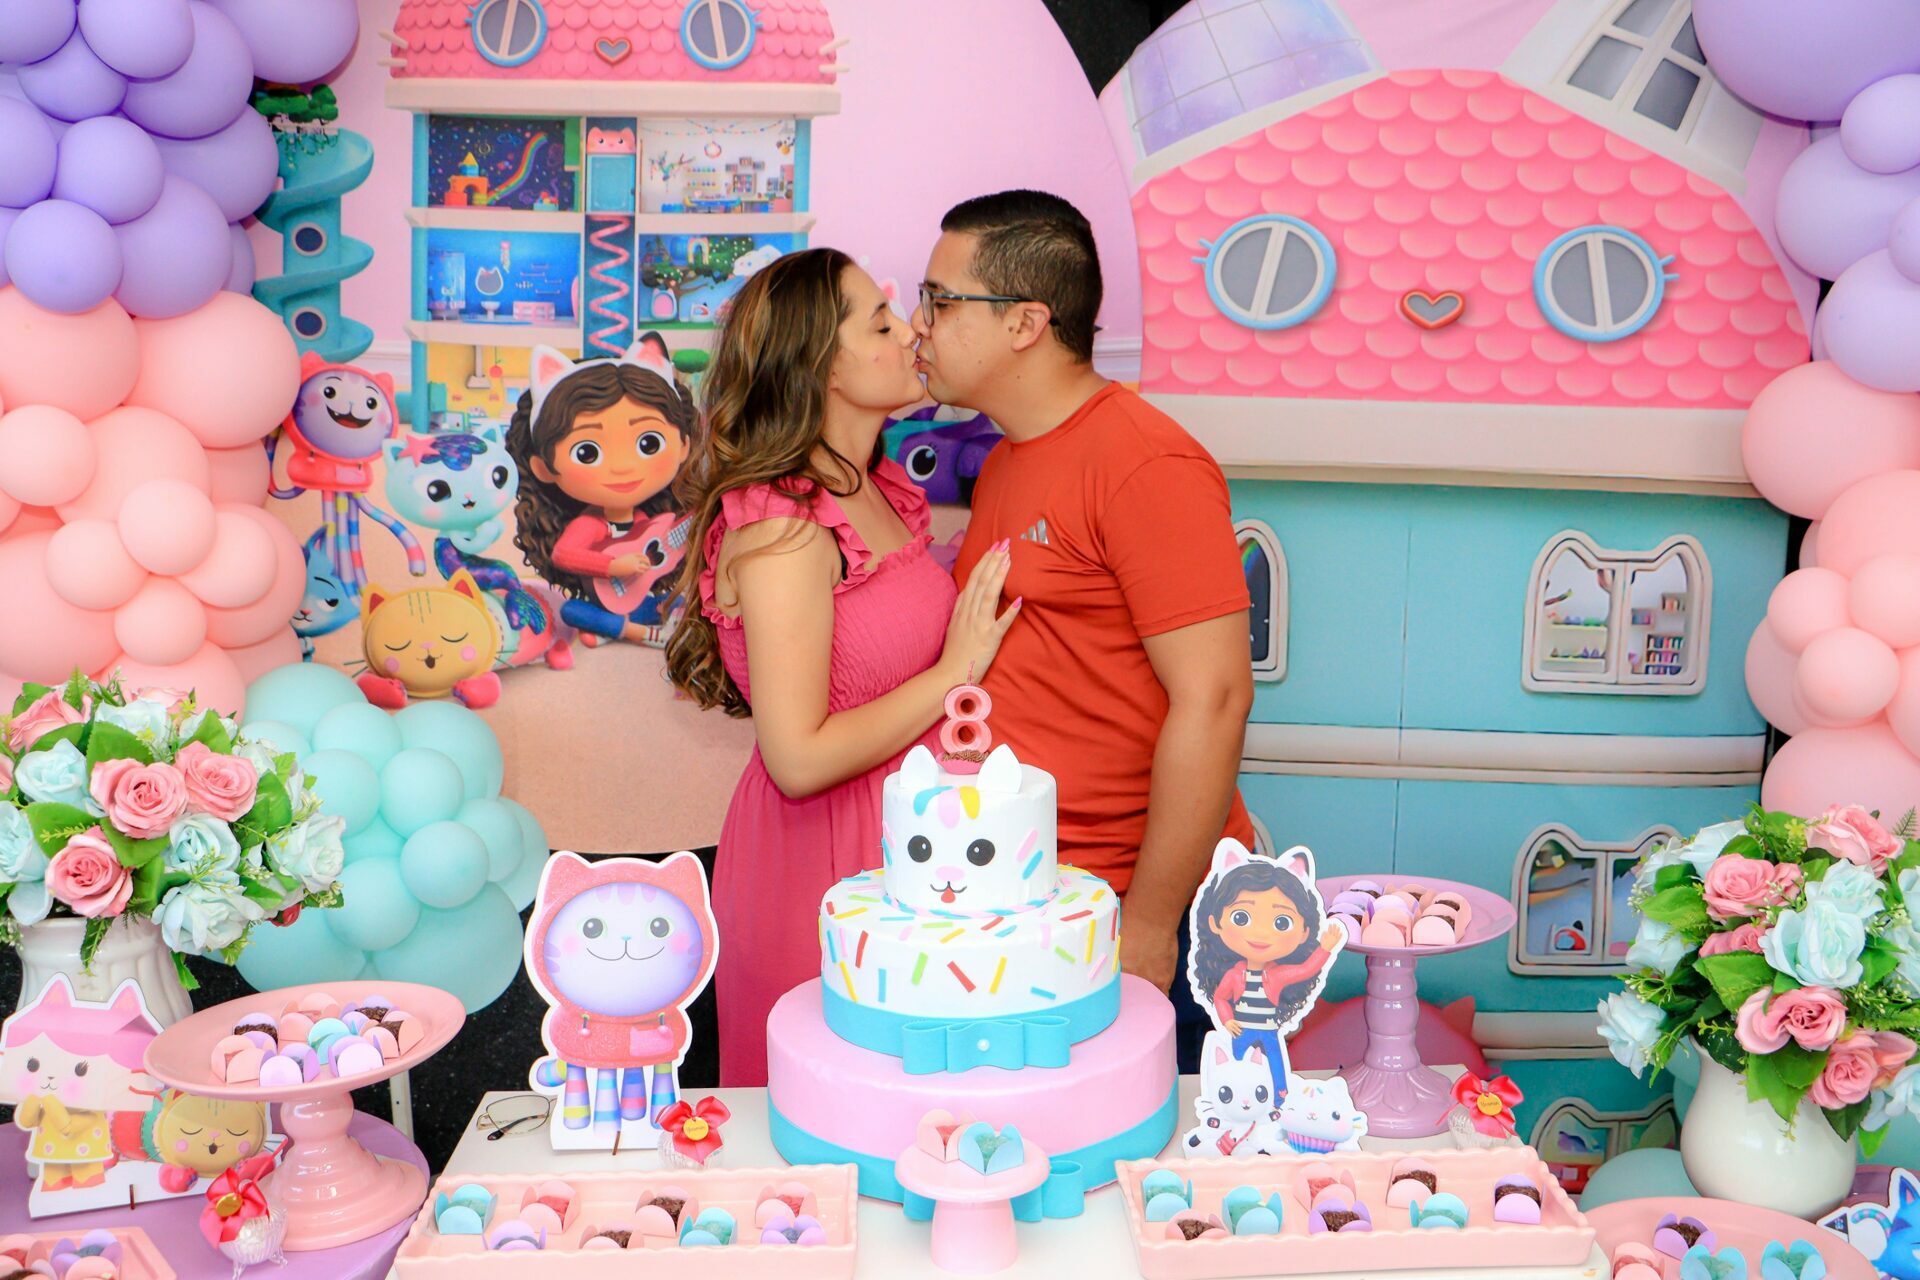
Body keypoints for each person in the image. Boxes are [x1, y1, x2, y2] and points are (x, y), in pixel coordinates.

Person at [665, 247, 1020, 1086]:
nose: (914, 332)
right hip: (820, 859)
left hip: (912, 843)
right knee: (838, 1111)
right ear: (822, 363)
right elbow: (797, 759)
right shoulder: (783, 530)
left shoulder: (879, 489)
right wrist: (955, 672)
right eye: (882, 324)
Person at [916, 190, 1256, 1059]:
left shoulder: (1145, 462)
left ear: (1025, 322)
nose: (919, 324)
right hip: (1029, 890)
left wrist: (1150, 921)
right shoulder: (1008, 459)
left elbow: (1216, 698)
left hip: (1139, 911)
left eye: (941, 300)